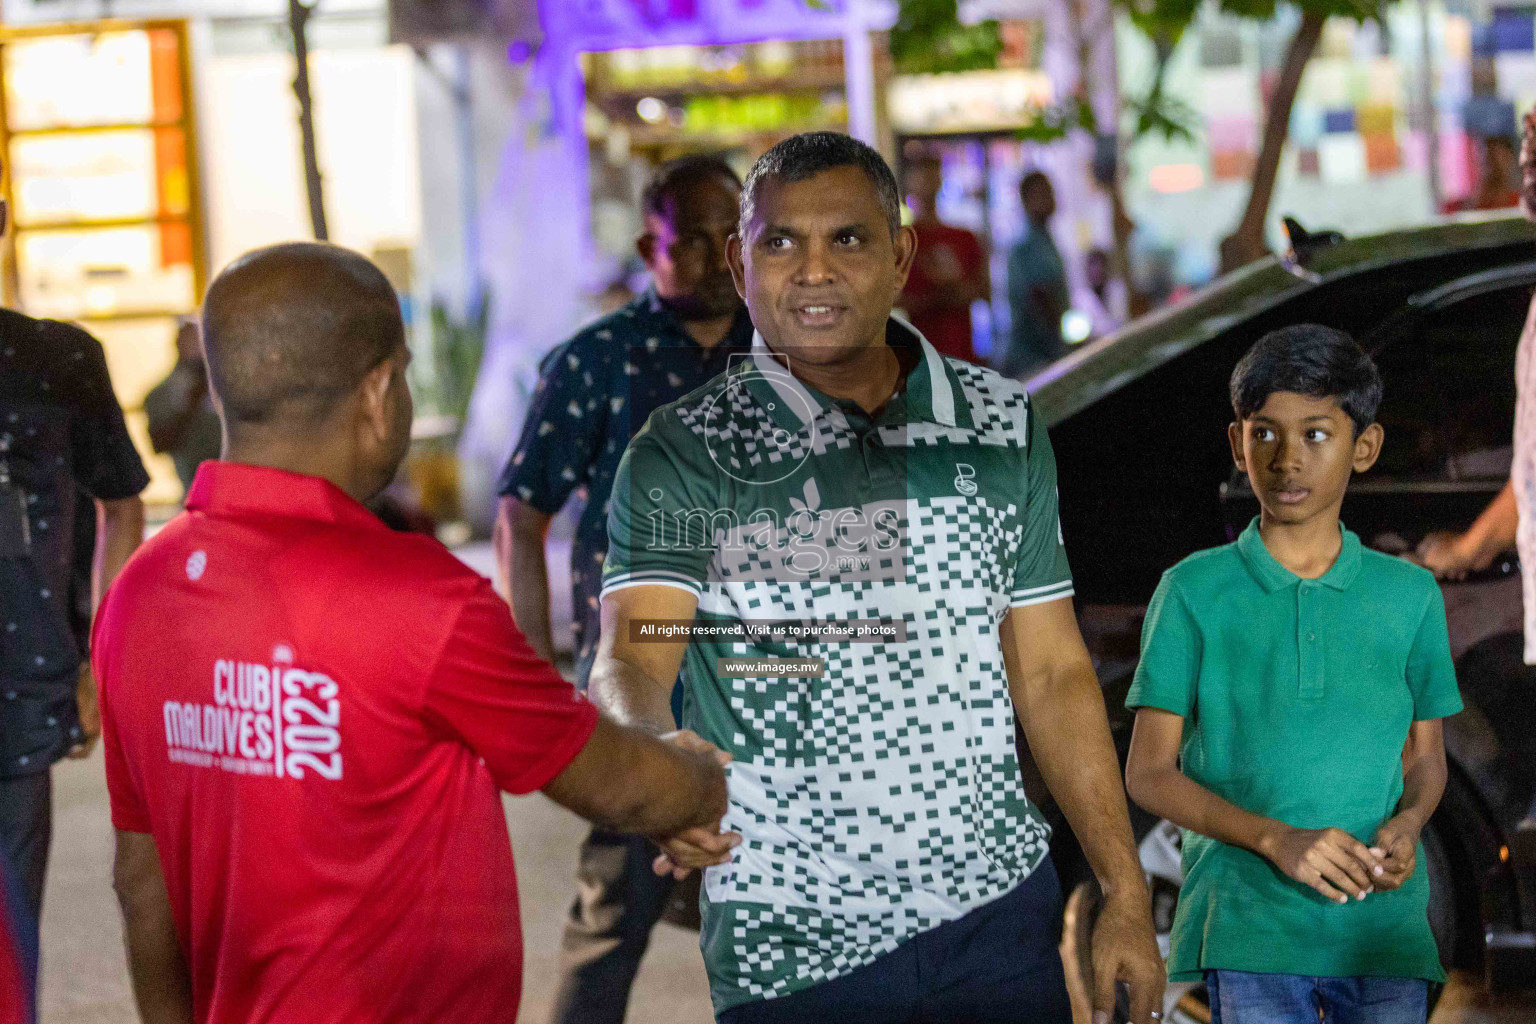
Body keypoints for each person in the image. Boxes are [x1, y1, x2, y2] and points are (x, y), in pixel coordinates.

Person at [593, 131, 1163, 1024]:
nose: (813, 271)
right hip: (792, 946)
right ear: (743, 262)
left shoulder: (998, 422)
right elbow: (632, 654)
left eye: (847, 239)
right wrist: (654, 756)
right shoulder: (682, 450)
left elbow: (1051, 675)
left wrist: (1125, 896)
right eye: (782, 242)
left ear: (900, 256)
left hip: (999, 921)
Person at [94, 242, 736, 1024]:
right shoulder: (422, 600)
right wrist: (700, 782)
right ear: (378, 392)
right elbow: (613, 781)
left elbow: (140, 877)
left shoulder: (138, 594)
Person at [1124, 325, 1462, 1024]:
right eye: (1265, 434)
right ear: (1236, 443)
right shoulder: (1192, 591)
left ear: (1362, 447)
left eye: (1316, 434)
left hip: (1383, 934)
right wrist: (1275, 839)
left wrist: (1409, 822)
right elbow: (1148, 773)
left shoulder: (1410, 596)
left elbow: (1426, 759)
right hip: (1250, 932)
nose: (1286, 460)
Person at [495, 155, 754, 1024]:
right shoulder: (597, 360)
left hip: (777, 685)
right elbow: (519, 514)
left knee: (786, 925)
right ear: (652, 245)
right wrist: (532, 670)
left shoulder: (789, 350)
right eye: (698, 240)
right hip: (640, 684)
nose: (721, 259)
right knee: (613, 916)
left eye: (735, 238)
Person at [0, 166, 147, 1013]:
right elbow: (123, 508)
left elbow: (122, 505)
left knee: (13, 927)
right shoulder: (56, 358)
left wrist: (99, 659)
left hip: (22, 690)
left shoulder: (57, 360)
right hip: (25, 686)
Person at [897, 153, 989, 364]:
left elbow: (985, 290)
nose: (927, 181)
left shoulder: (964, 237)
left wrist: (952, 288)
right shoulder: (901, 242)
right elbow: (893, 300)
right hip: (922, 361)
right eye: (921, 175)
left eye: (932, 174)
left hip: (962, 357)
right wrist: (939, 295)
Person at [1004, 169, 1070, 378]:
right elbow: (1039, 297)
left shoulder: (1047, 241)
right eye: (1042, 193)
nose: (1050, 198)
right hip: (1033, 360)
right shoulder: (1026, 247)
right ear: (1025, 200)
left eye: (1050, 191)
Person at [144, 316, 221, 493]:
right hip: (194, 486)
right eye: (191, 339)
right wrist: (190, 405)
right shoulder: (162, 393)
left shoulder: (227, 386)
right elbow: (159, 443)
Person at [1074, 247, 1124, 341]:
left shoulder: (1116, 289)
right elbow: (1084, 332)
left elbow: (1121, 320)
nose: (1097, 270)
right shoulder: (1081, 297)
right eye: (1093, 266)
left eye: (1101, 265)